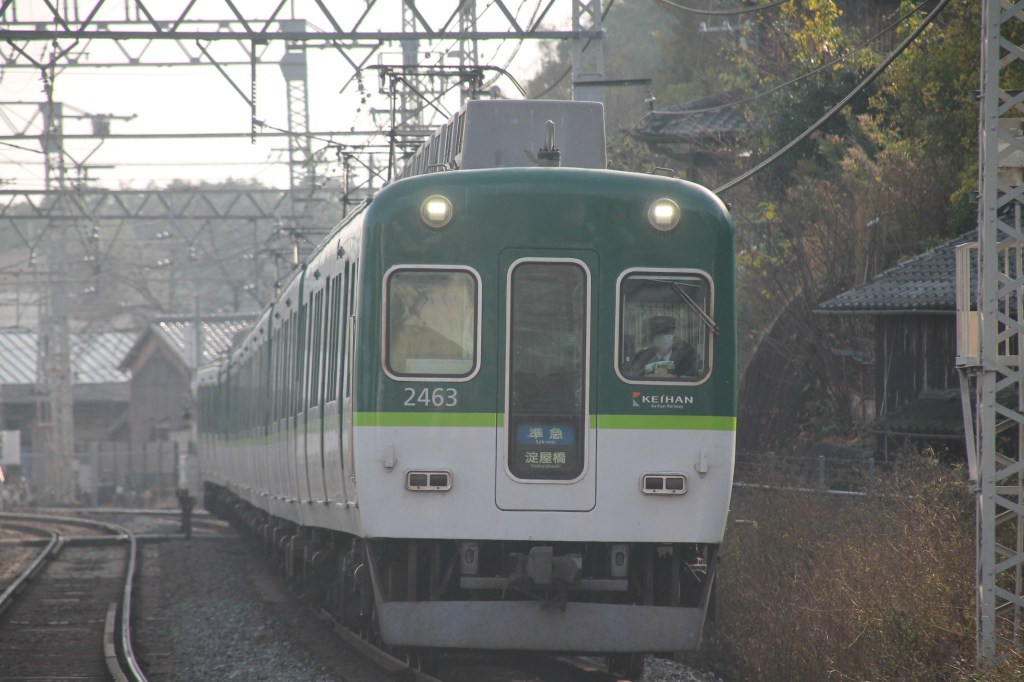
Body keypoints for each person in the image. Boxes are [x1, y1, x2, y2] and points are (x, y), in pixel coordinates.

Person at [625, 315, 697, 378]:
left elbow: (692, 377)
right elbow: (633, 376)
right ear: (652, 337)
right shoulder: (641, 357)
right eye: (658, 334)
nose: (664, 337)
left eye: (668, 333)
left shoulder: (685, 358)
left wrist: (676, 378)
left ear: (674, 335)